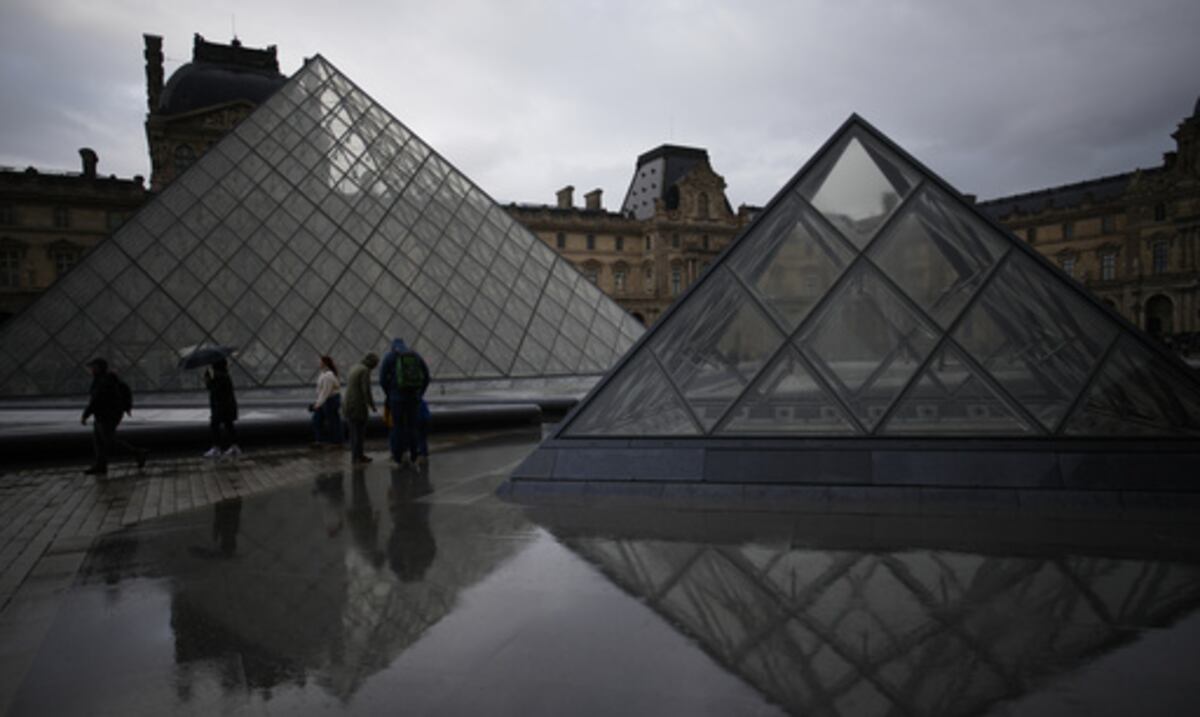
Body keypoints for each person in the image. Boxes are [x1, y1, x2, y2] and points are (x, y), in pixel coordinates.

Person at [80, 357, 147, 476]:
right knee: (100, 440)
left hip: (108, 414)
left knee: (108, 440)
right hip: (107, 413)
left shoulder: (103, 381)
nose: (90, 369)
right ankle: (100, 465)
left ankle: (137, 453)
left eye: (92, 367)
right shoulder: (105, 379)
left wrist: (85, 415)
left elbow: (96, 400)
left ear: (98, 368)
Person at [379, 338, 430, 465]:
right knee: (412, 427)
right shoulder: (415, 355)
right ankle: (414, 456)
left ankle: (398, 458)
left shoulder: (390, 357)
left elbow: (382, 379)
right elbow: (427, 376)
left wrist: (389, 393)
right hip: (413, 398)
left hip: (396, 399)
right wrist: (420, 393)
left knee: (397, 428)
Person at [342, 352, 379, 464]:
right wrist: (372, 406)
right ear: (372, 363)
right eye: (376, 364)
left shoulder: (355, 367)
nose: (376, 366)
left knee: (353, 432)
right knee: (359, 432)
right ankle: (358, 456)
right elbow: (366, 390)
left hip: (348, 404)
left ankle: (356, 456)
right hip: (357, 405)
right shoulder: (365, 370)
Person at [203, 358, 240, 458]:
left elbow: (213, 389)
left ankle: (217, 448)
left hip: (221, 407)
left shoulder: (220, 377)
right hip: (227, 406)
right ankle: (234, 447)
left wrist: (207, 378)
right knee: (229, 425)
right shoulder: (225, 376)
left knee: (215, 425)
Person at [311, 355, 343, 447]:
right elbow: (322, 391)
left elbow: (326, 392)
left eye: (320, 362)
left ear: (325, 363)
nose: (318, 363)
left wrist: (318, 404)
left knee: (333, 421)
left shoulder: (328, 376)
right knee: (317, 420)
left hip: (330, 400)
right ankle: (320, 440)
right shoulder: (324, 374)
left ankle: (336, 442)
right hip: (327, 400)